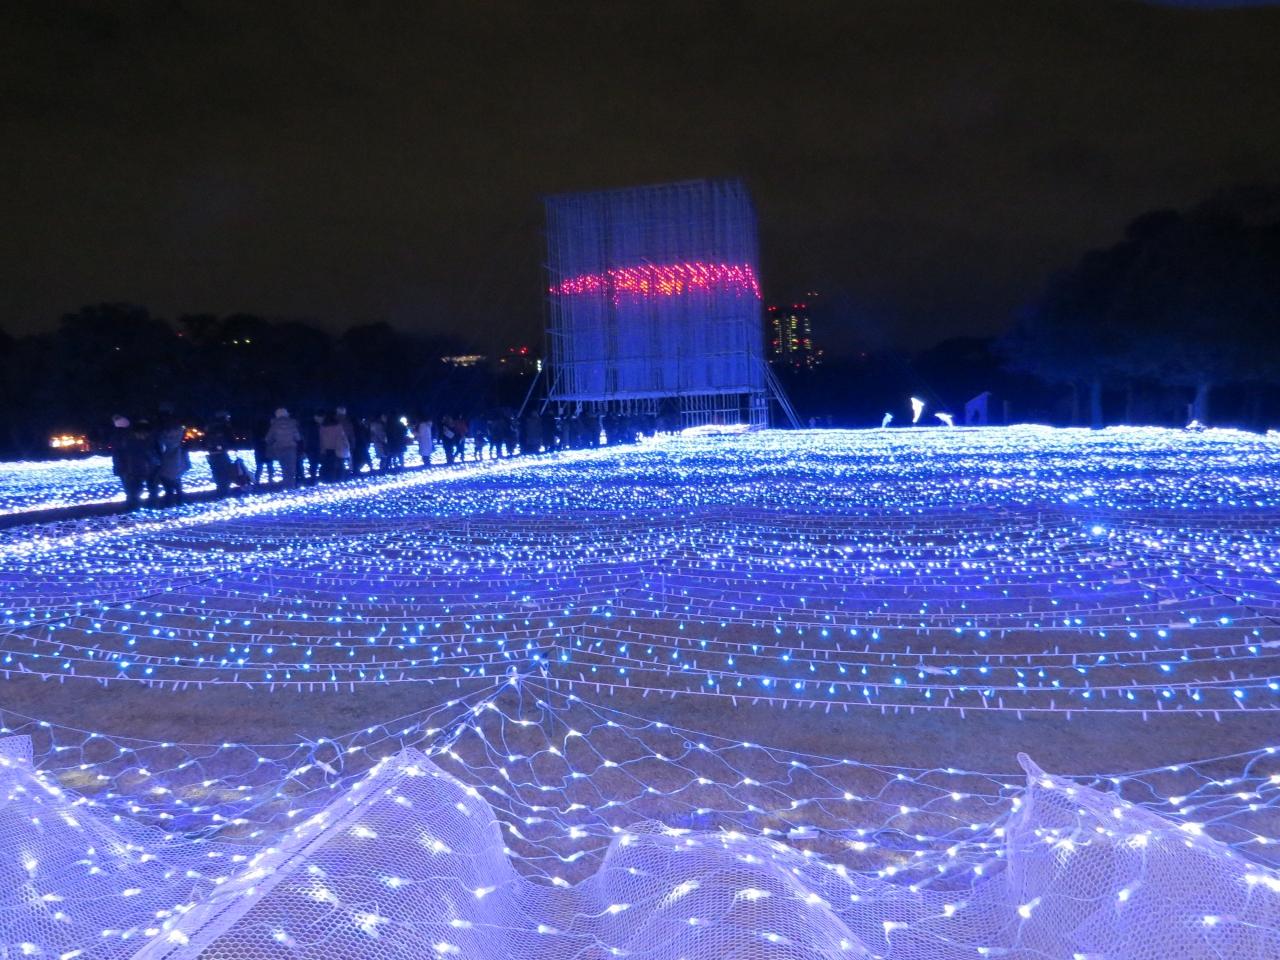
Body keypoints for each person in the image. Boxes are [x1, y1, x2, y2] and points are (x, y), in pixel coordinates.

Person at [154, 416, 190, 507]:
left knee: (170, 487)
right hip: (174, 462)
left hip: (169, 461)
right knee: (176, 486)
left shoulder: (164, 436)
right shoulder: (178, 435)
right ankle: (178, 502)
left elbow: (161, 442)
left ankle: (171, 503)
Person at [264, 408, 301, 488]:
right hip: (291, 448)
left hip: (279, 449)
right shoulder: (292, 423)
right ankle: (291, 486)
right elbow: (298, 437)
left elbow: (268, 438)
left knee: (284, 468)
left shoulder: (274, 424)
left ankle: (286, 485)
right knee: (291, 468)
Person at [204, 411, 236, 497]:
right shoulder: (224, 427)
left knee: (216, 472)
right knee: (225, 471)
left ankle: (220, 489)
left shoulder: (210, 426)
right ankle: (224, 490)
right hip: (222, 452)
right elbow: (231, 438)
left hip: (212, 453)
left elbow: (205, 440)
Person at [318, 413, 349, 482]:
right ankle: (340, 479)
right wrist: (346, 445)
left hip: (327, 448)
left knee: (329, 465)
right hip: (338, 448)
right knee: (340, 464)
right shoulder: (338, 426)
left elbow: (321, 439)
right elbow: (343, 437)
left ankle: (330, 479)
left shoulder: (322, 427)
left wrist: (322, 449)